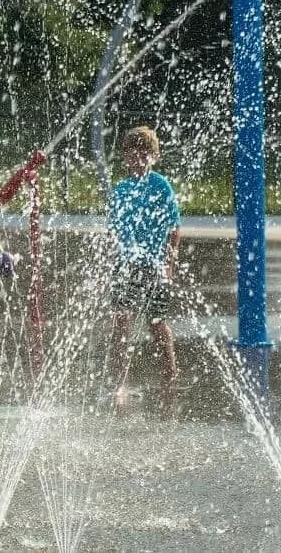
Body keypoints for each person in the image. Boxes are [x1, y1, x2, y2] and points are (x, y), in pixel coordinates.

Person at [107, 125, 179, 402]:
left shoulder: (161, 186)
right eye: (131, 152)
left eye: (143, 153)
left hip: (154, 264)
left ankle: (170, 375)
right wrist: (113, 257)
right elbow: (113, 230)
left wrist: (169, 263)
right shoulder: (121, 189)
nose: (136, 158)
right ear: (125, 157)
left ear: (154, 156)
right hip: (126, 264)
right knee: (121, 322)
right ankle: (119, 383)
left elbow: (174, 228)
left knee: (156, 322)